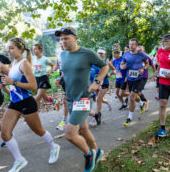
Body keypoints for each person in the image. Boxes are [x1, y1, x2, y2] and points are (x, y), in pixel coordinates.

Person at [1, 38, 60, 172]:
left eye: (11, 48)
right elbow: (12, 84)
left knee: (38, 130)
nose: (8, 50)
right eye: (7, 48)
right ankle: (19, 160)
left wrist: (13, 82)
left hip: (27, 102)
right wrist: (4, 84)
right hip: (15, 102)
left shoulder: (24, 63)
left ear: (20, 49)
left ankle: (54, 147)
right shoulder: (13, 64)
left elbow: (33, 86)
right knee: (5, 134)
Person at [55, 27, 108, 172]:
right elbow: (67, 73)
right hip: (71, 99)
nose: (63, 41)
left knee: (70, 134)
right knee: (84, 130)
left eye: (66, 38)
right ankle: (97, 151)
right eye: (61, 39)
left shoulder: (87, 53)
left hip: (83, 98)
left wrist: (97, 82)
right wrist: (60, 79)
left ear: (75, 38)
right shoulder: (63, 55)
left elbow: (104, 67)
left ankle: (89, 154)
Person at [120, 38, 150, 127]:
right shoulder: (125, 55)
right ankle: (141, 103)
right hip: (129, 78)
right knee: (135, 96)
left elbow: (147, 63)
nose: (131, 46)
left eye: (133, 44)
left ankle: (129, 118)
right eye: (130, 44)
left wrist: (143, 68)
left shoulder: (142, 54)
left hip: (138, 78)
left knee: (131, 97)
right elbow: (122, 65)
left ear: (136, 46)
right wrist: (123, 66)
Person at [89, 48, 114, 126]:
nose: (100, 54)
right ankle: (108, 102)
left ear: (105, 54)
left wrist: (109, 75)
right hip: (96, 83)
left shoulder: (106, 62)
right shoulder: (94, 62)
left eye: (101, 53)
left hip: (104, 83)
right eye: (99, 53)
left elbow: (114, 69)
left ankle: (96, 116)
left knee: (98, 99)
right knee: (99, 99)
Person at [32, 44, 54, 109]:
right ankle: (55, 102)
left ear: (40, 50)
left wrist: (50, 72)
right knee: (45, 98)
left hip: (44, 79)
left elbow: (52, 65)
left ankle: (36, 115)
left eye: (35, 49)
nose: (34, 50)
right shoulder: (33, 58)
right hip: (36, 79)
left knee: (37, 98)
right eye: (33, 49)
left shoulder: (45, 59)